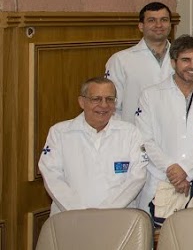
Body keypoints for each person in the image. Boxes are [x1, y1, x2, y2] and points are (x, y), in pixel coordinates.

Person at [135, 35, 193, 211]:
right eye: (186, 60)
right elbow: (145, 140)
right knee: (158, 237)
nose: (192, 66)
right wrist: (172, 170)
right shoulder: (150, 95)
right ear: (173, 62)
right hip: (161, 180)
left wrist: (186, 170)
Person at [39, 76, 147, 214]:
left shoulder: (131, 133)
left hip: (117, 219)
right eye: (96, 99)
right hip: (70, 218)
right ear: (82, 102)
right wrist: (79, 211)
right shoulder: (60, 133)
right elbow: (52, 176)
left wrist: (104, 212)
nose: (103, 105)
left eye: (109, 99)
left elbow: (137, 177)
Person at [107, 2, 174, 122]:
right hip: (135, 133)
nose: (158, 25)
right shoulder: (120, 60)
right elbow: (112, 105)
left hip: (173, 131)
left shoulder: (183, 58)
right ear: (141, 26)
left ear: (170, 24)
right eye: (152, 20)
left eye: (164, 20)